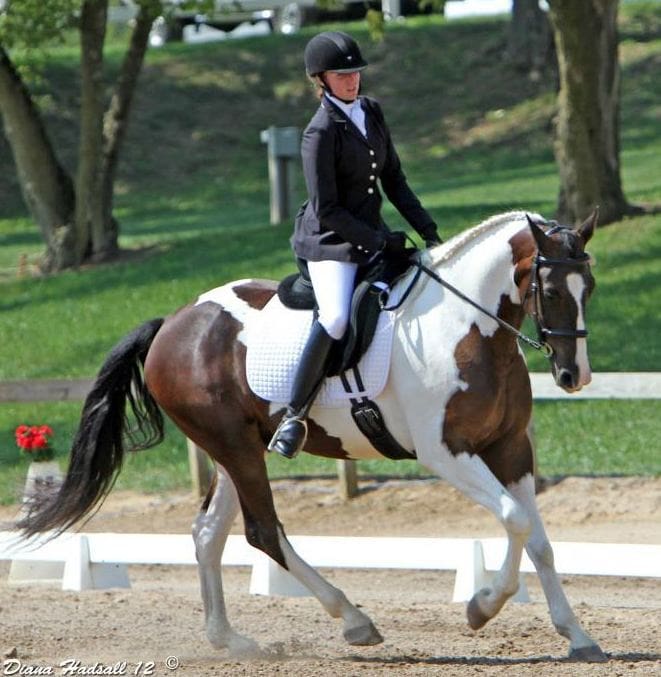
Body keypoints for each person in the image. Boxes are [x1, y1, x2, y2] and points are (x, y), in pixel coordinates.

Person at [267, 30, 441, 460]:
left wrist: (429, 230)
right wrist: (381, 241)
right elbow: (328, 211)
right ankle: (294, 414)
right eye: (341, 75)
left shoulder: (372, 112)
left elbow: (394, 180)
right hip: (329, 243)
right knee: (337, 318)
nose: (352, 81)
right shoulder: (320, 132)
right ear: (321, 79)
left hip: (370, 233)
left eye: (355, 73)